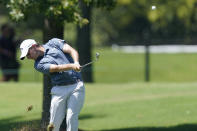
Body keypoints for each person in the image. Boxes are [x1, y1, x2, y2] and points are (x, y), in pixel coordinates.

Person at [20, 38, 85, 131]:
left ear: (33, 47)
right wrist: (72, 66)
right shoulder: (38, 65)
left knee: (71, 117)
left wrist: (76, 62)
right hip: (59, 90)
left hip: (76, 86)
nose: (28, 57)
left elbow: (71, 50)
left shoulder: (53, 43)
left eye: (28, 54)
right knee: (54, 124)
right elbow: (57, 68)